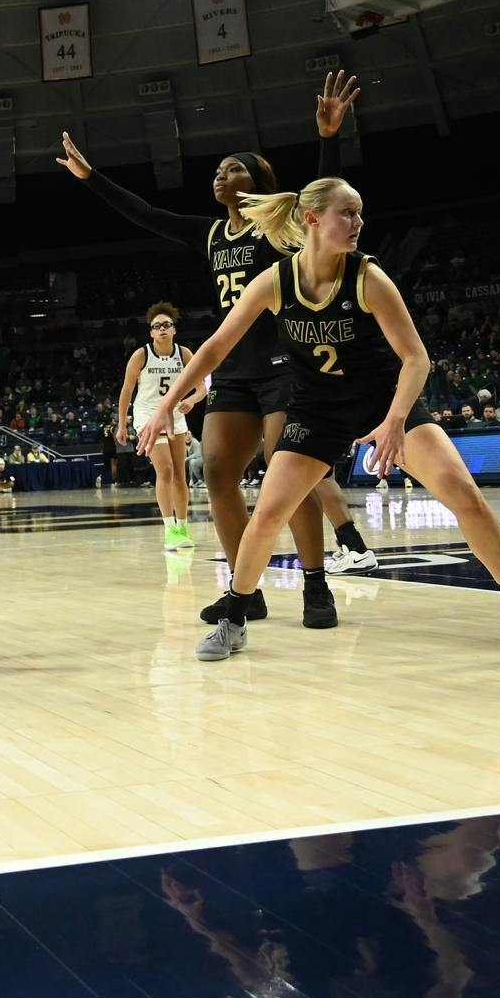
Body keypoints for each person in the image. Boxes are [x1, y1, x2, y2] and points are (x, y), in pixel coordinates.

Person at [138, 178, 500, 662]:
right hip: (317, 408)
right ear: (312, 219)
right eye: (347, 213)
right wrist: (166, 404)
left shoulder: (368, 277)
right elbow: (216, 346)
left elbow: (416, 359)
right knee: (268, 513)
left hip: (381, 401)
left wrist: (395, 421)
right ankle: (235, 620)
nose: (358, 223)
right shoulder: (275, 281)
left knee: (464, 495)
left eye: (360, 213)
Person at [60, 72, 366, 629]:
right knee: (220, 475)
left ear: (258, 181)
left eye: (234, 167)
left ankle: (315, 584)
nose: (221, 174)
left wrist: (328, 136)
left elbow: (325, 200)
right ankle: (244, 588)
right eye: (220, 169)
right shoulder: (208, 234)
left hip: (285, 367)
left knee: (286, 473)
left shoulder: (281, 223)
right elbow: (146, 214)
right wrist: (91, 179)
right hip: (235, 371)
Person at [117, 302, 203, 552]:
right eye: (157, 326)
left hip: (174, 416)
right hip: (147, 416)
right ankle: (169, 530)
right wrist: (122, 424)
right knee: (164, 470)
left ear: (174, 329)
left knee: (180, 474)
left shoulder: (184, 353)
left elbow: (203, 386)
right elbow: (126, 390)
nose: (162, 329)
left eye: (167, 325)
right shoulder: (141, 355)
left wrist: (192, 399)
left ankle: (183, 527)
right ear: (151, 333)